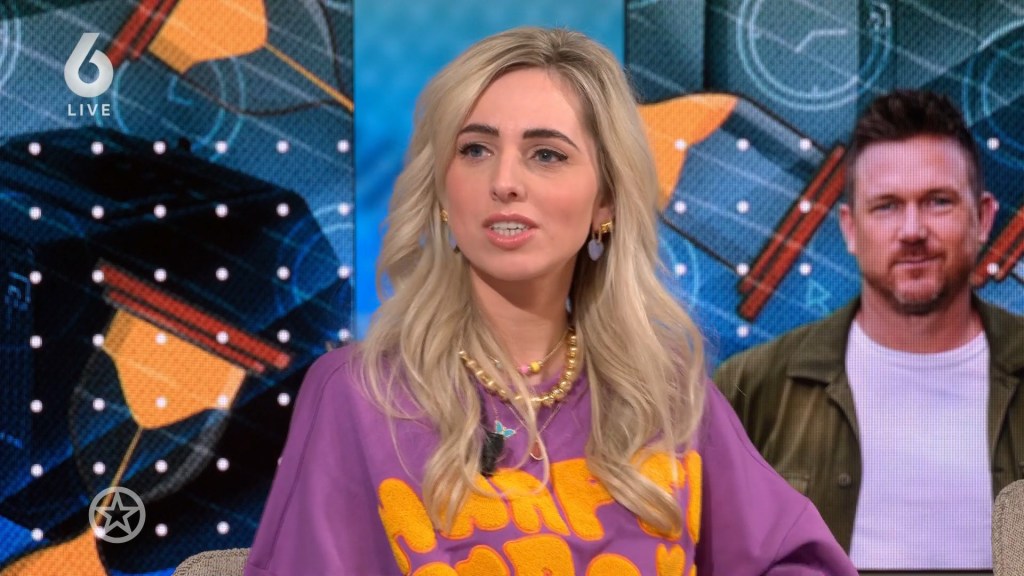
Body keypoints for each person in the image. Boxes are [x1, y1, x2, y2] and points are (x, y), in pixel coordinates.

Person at [244, 27, 856, 575]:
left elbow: (800, 562)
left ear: (605, 201)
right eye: (475, 149)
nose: (504, 181)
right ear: (442, 192)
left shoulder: (666, 393)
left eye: (547, 154)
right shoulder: (358, 393)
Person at [714, 89, 1024, 570]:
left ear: (983, 218)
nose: (912, 230)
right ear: (850, 228)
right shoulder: (752, 389)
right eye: (886, 206)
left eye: (938, 201)